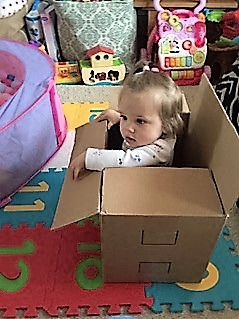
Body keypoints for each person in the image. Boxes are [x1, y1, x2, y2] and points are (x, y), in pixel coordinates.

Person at [70, 62, 184, 180]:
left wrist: (90, 158)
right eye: (125, 117)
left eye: (140, 121)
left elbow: (126, 160)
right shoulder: (146, 133)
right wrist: (118, 116)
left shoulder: (161, 151)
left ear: (166, 125)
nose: (128, 127)